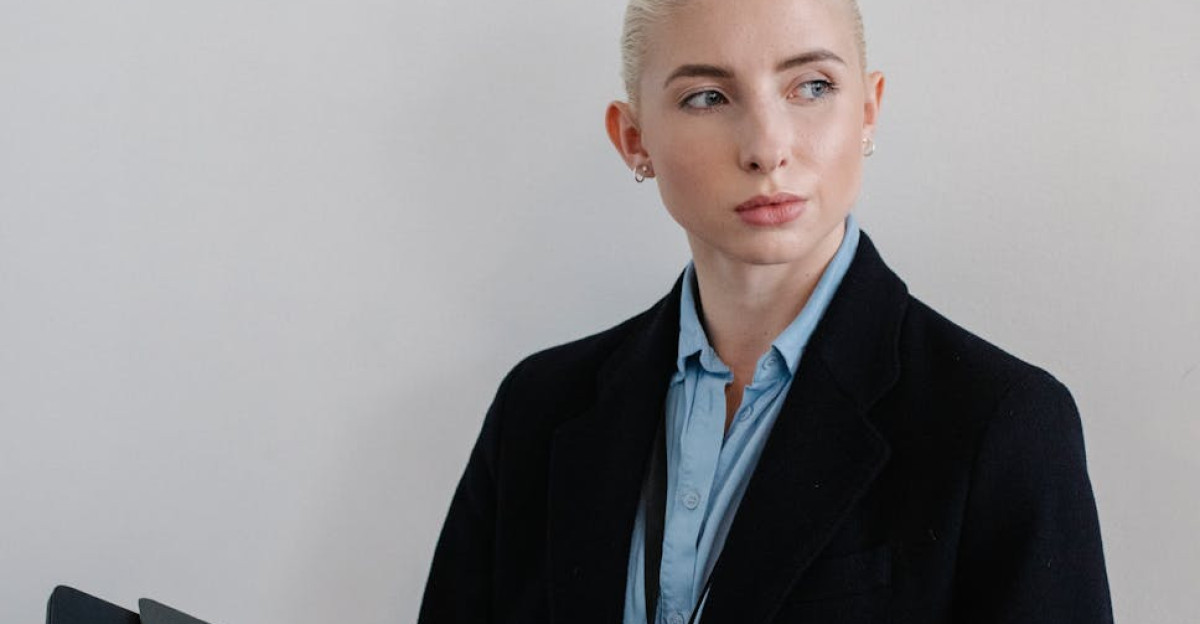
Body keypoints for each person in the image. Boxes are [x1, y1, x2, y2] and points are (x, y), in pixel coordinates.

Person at [418, 0, 1113, 622]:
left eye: (812, 87)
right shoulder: (537, 410)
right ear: (634, 140)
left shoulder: (1002, 423)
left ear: (868, 110)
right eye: (708, 97)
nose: (766, 149)